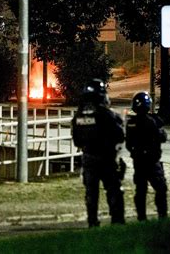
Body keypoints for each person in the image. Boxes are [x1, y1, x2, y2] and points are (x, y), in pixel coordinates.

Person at [71, 78, 126, 227]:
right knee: (114, 190)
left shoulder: (79, 116)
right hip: (107, 158)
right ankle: (117, 221)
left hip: (88, 158)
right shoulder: (106, 114)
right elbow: (119, 135)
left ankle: (92, 221)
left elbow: (76, 140)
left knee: (91, 193)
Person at [125, 91, 168, 221]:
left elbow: (128, 144)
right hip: (152, 161)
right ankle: (162, 215)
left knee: (141, 191)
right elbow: (162, 137)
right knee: (160, 188)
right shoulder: (154, 121)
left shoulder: (131, 123)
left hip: (139, 161)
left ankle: (141, 217)